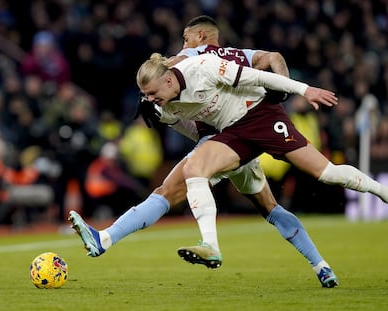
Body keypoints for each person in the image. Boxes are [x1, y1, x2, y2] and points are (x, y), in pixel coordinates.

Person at [69, 16, 340, 288]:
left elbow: (171, 70)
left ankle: (108, 239)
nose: (182, 45)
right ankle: (322, 266)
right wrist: (282, 88)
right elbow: (273, 57)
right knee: (269, 208)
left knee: (167, 191)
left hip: (228, 141)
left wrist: (163, 102)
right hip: (239, 138)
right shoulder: (237, 56)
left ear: (200, 35)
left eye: (186, 38)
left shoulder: (189, 58)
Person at [136, 50, 388, 286]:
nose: (149, 99)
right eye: (145, 95)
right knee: (195, 170)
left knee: (328, 174)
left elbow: (260, 75)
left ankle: (381, 191)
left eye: (151, 93)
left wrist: (306, 90)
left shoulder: (204, 66)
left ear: (168, 81)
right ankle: (211, 246)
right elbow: (181, 124)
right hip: (233, 134)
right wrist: (160, 115)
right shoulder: (163, 103)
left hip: (261, 117)